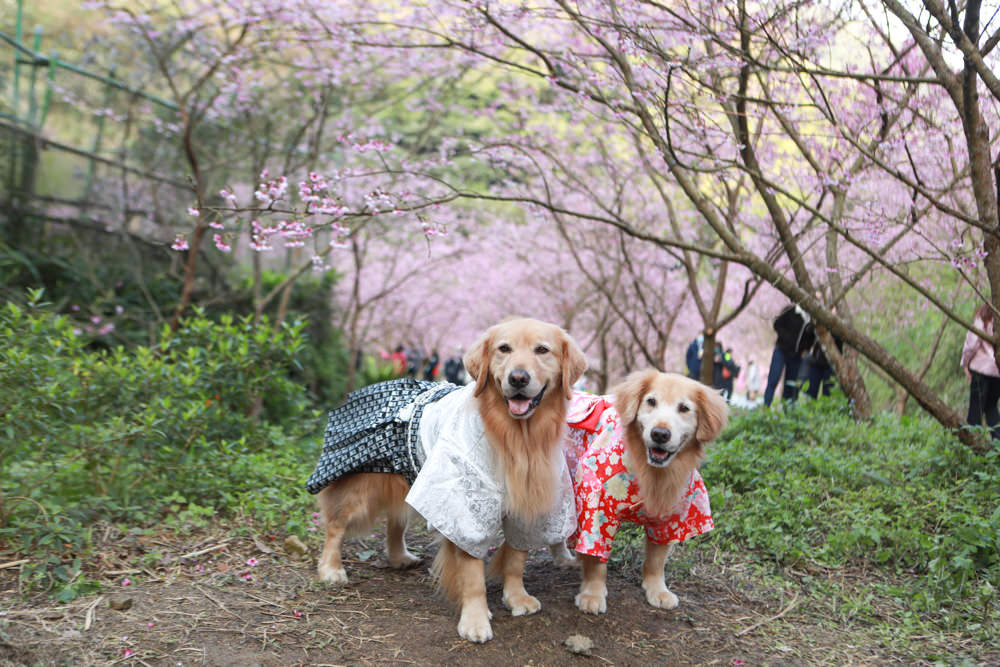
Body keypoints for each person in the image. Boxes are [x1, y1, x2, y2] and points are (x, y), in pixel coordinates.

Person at [763, 303, 816, 406]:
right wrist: (787, 339)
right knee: (774, 378)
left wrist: (805, 349)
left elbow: (812, 338)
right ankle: (766, 406)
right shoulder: (790, 310)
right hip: (781, 350)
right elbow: (777, 324)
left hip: (796, 356)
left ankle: (787, 410)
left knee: (790, 384)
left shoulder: (811, 319)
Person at [961, 303, 999, 439]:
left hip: (981, 369)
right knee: (991, 408)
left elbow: (972, 344)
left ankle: (973, 448)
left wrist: (965, 363)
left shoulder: (982, 317)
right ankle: (998, 446)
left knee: (975, 411)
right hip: (997, 371)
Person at [805, 334, 842, 399]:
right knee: (811, 391)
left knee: (827, 393)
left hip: (831, 363)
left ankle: (825, 408)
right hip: (816, 361)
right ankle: (809, 407)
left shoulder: (839, 328)